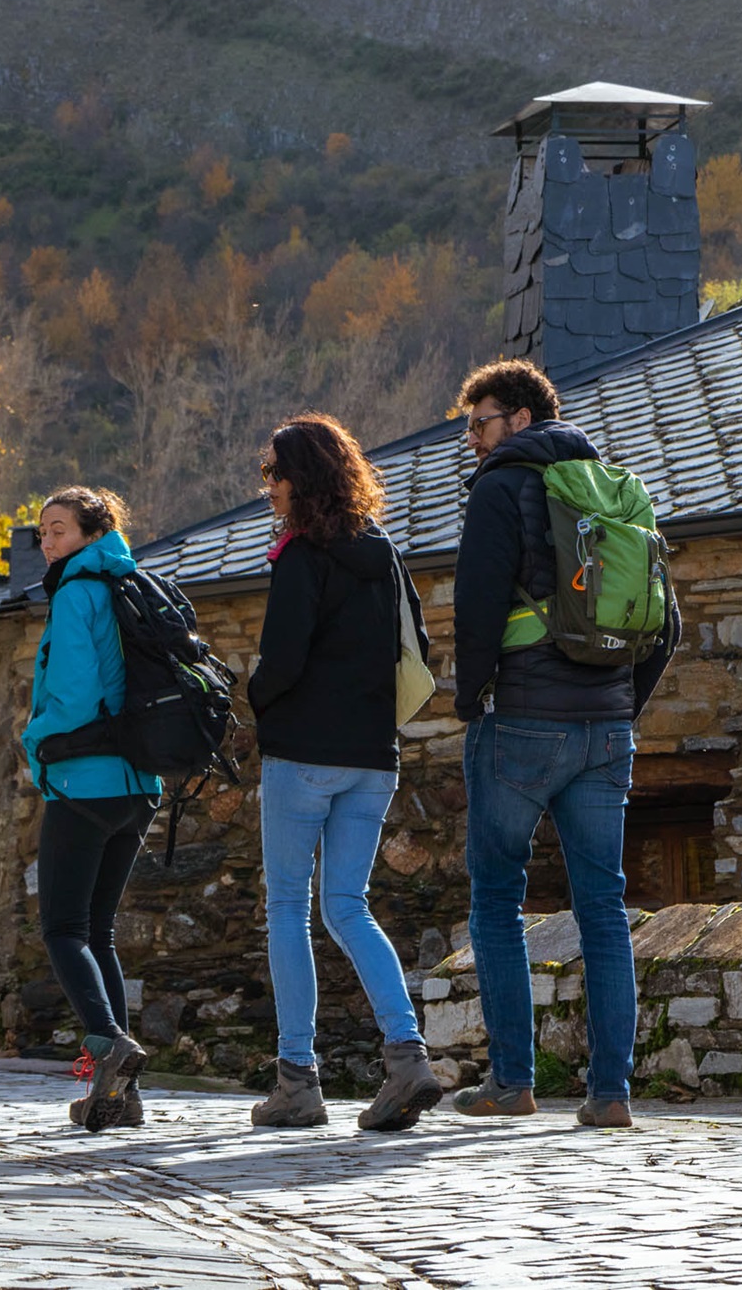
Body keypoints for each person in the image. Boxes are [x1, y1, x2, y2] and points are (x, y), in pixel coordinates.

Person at [451, 359, 680, 1129]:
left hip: (520, 722)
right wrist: (620, 707)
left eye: (478, 423)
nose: (473, 441)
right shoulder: (617, 490)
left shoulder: (500, 486)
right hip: (606, 730)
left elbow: (478, 608)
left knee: (495, 898)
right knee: (604, 906)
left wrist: (469, 698)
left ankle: (512, 1082)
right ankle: (610, 1092)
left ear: (518, 417)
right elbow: (665, 625)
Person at [246, 414, 442, 1131]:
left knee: (289, 910)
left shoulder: (300, 556)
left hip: (303, 757)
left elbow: (283, 663)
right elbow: (415, 646)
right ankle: (407, 1056)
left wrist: (253, 693)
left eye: (275, 473)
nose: (267, 487)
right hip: (372, 757)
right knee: (349, 907)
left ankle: (297, 1078)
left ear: (302, 478)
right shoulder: (383, 552)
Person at [20, 486, 163, 1132]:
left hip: (85, 781)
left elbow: (74, 696)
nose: (47, 542)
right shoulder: (128, 584)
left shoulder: (77, 592)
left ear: (89, 532)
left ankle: (108, 1043)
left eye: (58, 530)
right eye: (43, 532)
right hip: (138, 785)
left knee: (62, 929)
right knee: (97, 931)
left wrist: (34, 738)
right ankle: (122, 1095)